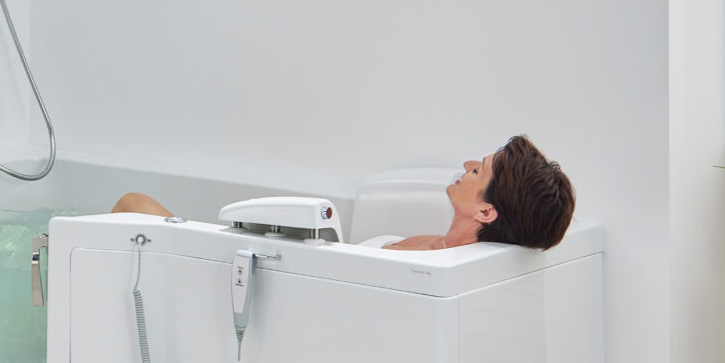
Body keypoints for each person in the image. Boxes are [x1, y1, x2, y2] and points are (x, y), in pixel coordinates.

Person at [110, 135, 576, 252]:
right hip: (282, 272)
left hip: (272, 287)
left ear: (487, 210)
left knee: (133, 206)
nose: (468, 165)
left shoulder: (437, 267)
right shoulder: (443, 251)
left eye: (482, 169)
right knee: (135, 210)